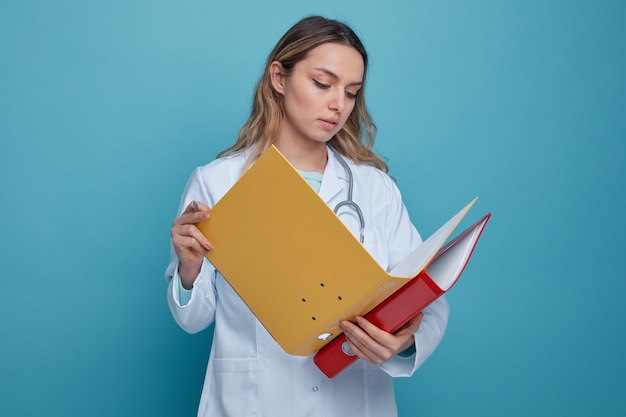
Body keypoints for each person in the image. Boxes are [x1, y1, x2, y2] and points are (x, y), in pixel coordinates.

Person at [166, 15, 449, 417]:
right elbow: (194, 319)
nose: (338, 104)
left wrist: (403, 343)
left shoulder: (375, 189)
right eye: (322, 83)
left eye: (351, 92)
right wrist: (188, 270)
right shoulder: (217, 183)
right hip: (255, 402)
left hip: (355, 401)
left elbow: (428, 298)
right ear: (279, 77)